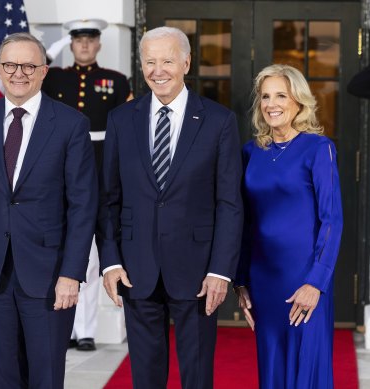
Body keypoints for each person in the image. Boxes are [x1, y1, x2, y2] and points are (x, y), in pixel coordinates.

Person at [97, 26, 243, 388]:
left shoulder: (219, 121)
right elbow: (108, 198)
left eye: (167, 60)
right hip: (136, 268)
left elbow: (229, 203)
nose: (157, 70)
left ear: (186, 62)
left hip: (198, 272)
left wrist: (221, 271)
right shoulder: (120, 120)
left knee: (196, 375)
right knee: (145, 377)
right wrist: (111, 262)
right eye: (150, 62)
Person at [0, 32, 97, 388]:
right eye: (10, 65)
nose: (19, 73)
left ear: (44, 71)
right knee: (3, 375)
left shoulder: (70, 124)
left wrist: (72, 274)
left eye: (29, 65)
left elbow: (82, 206)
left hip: (50, 275)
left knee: (46, 375)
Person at [235, 64, 343, 389]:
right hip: (262, 278)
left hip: (305, 276)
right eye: (265, 96)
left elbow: (332, 218)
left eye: (281, 95)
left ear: (298, 101)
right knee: (271, 361)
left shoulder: (318, 148)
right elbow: (245, 220)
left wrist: (316, 282)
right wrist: (240, 281)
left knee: (306, 362)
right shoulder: (250, 152)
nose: (272, 104)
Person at [41, 18, 131, 352]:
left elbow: (126, 129)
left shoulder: (116, 81)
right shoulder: (56, 78)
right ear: (71, 44)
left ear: (98, 44)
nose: (83, 45)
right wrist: (51, 54)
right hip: (61, 171)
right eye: (77, 40)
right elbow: (30, 82)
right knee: (63, 251)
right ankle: (64, 324)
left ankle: (86, 329)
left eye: (89, 40)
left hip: (102, 169)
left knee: (93, 257)